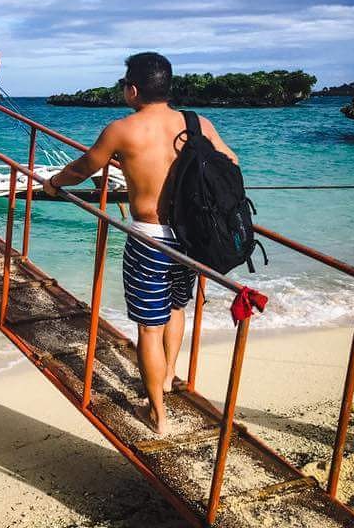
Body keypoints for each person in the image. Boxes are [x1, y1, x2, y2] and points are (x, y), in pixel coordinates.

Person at [42, 52, 237, 434]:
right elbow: (230, 161)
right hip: (190, 240)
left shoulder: (122, 130)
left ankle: (159, 414)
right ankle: (167, 378)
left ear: (133, 89)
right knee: (177, 308)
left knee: (150, 327)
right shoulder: (197, 123)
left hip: (149, 240)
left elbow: (83, 169)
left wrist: (52, 184)